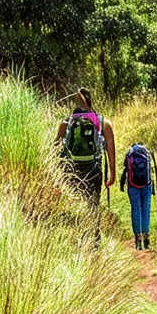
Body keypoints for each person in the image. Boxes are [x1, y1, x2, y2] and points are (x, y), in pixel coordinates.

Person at [56, 88, 116, 243]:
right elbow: (110, 148)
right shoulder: (103, 122)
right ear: (91, 101)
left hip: (71, 168)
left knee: (76, 200)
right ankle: (95, 238)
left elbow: (56, 147)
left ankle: (79, 237)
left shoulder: (66, 122)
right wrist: (112, 174)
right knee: (93, 202)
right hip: (94, 167)